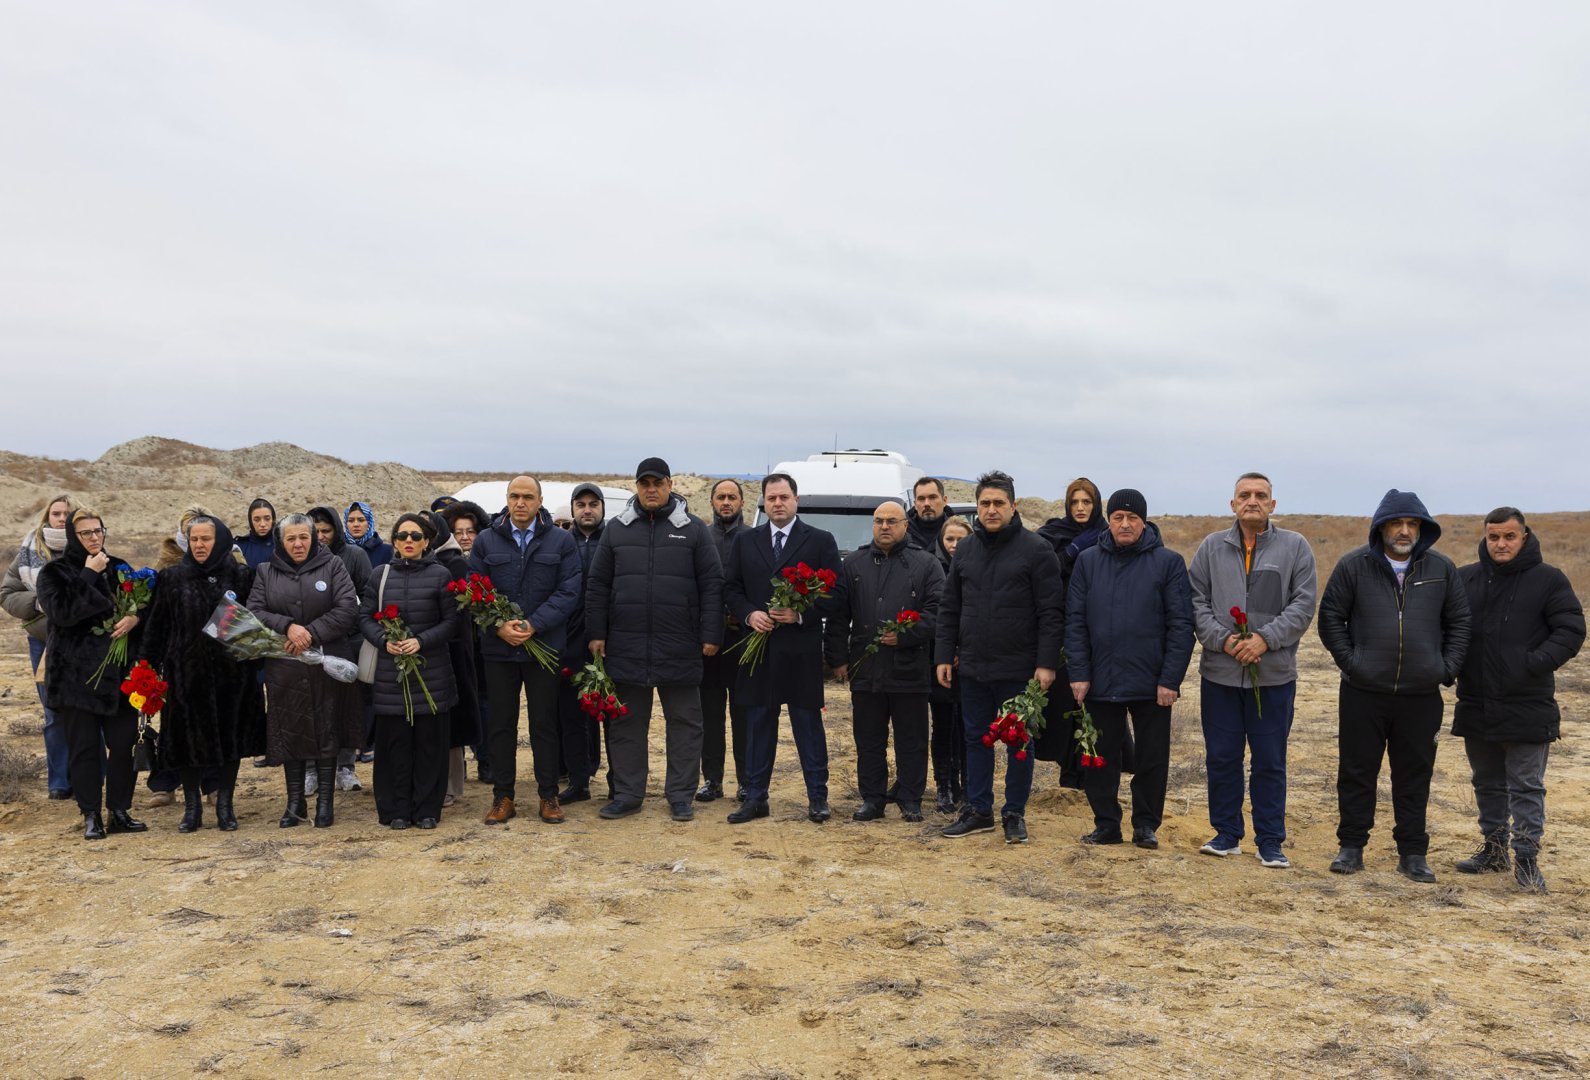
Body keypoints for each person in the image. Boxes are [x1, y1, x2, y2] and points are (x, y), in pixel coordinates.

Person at [1318, 489, 1471, 883]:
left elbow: (1460, 623)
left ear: (1422, 528)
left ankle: (1413, 853)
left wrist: (1444, 668)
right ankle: (1351, 847)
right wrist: (1353, 664)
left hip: (1421, 695)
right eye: (1397, 524)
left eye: (1412, 524)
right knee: (1356, 771)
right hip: (1363, 692)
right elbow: (1331, 618)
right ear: (1381, 527)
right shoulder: (1354, 566)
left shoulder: (1441, 568)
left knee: (1414, 775)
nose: (1404, 531)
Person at [1187, 473, 1317, 868]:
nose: (1252, 501)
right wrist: (1225, 641)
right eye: (1244, 495)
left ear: (1273, 505)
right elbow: (1195, 602)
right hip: (1220, 676)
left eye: (1261, 495)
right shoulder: (1211, 548)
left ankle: (1270, 841)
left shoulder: (1295, 547)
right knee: (1222, 757)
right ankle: (1226, 833)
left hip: (1273, 675)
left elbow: (1303, 604)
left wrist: (1264, 639)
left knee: (1269, 760)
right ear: (1232, 504)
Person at [1452, 508, 1584, 892]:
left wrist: (1534, 663)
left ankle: (1526, 859)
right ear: (1485, 537)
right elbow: (1451, 629)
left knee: (1526, 785)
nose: (1501, 544)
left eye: (1509, 536)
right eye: (1494, 537)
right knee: (1487, 782)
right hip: (1476, 700)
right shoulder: (1465, 578)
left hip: (1528, 702)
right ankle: (1494, 850)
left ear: (1524, 537)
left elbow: (1571, 629)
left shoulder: (1548, 580)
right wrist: (1450, 666)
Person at [586, 458, 724, 821]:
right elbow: (598, 584)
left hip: (680, 644)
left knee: (685, 724)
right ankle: (629, 795)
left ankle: (680, 795)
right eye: (644, 483)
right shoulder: (617, 530)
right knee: (627, 723)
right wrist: (597, 632)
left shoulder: (693, 529)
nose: (651, 489)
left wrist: (711, 633)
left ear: (669, 485)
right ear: (637, 487)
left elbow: (712, 585)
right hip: (626, 646)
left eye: (657, 483)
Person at [935, 471, 1064, 844]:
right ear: (977, 507)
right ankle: (979, 810)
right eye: (985, 504)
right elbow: (950, 607)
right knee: (976, 739)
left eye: (998, 503)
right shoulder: (968, 549)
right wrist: (945, 654)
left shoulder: (1036, 549)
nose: (991, 510)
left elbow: (1051, 612)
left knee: (1019, 742)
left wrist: (1045, 663)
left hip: (1018, 668)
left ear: (1013, 506)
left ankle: (1013, 813)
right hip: (973, 666)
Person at [1065, 488, 1194, 851]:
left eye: (1132, 518)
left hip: (1152, 683)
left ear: (1143, 521)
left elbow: (1181, 625)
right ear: (1108, 520)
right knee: (1098, 757)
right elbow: (1074, 621)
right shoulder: (1088, 562)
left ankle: (1145, 825)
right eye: (1118, 517)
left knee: (1152, 758)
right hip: (1099, 681)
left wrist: (1170, 679)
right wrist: (1078, 672)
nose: (1124, 524)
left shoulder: (1168, 562)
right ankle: (1106, 824)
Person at [723, 472, 841, 824]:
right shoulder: (746, 541)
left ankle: (818, 797)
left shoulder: (820, 540)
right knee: (758, 726)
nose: (777, 503)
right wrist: (749, 614)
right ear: (763, 502)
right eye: (771, 498)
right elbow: (730, 588)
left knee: (808, 727)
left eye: (784, 497)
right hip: (759, 653)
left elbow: (836, 595)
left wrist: (800, 613)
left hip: (801, 653)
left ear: (796, 500)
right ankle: (755, 797)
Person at [138, 517, 266, 832]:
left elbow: (254, 625)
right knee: (186, 742)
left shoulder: (241, 575)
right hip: (185, 675)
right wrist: (146, 669)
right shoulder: (172, 578)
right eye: (194, 539)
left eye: (206, 539)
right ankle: (192, 807)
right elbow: (157, 628)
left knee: (229, 739)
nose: (199, 545)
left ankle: (225, 805)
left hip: (232, 675)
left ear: (219, 540)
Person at [468, 475, 582, 826]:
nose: (521, 503)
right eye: (514, 496)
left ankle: (548, 795)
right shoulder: (487, 541)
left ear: (540, 500)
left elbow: (568, 591)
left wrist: (533, 625)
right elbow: (475, 590)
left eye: (528, 497)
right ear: (507, 499)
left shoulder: (561, 541)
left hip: (542, 647)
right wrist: (498, 626)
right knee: (501, 724)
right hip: (499, 650)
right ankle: (503, 797)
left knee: (544, 724)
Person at [828, 500, 943, 822]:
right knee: (868, 739)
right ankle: (873, 799)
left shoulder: (926, 564)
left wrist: (907, 635)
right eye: (879, 521)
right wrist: (837, 658)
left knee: (912, 739)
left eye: (892, 521)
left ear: (906, 524)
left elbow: (938, 612)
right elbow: (838, 616)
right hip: (866, 667)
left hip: (910, 667)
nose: (884, 527)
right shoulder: (854, 564)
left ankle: (910, 797)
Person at [35, 509, 147, 841]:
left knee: (124, 743)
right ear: (73, 537)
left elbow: (143, 605)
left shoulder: (119, 567)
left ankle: (120, 811)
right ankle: (91, 815)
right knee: (83, 748)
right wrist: (86, 574)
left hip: (118, 676)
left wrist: (135, 619)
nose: (94, 538)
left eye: (98, 531)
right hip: (75, 677)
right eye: (86, 533)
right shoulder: (54, 572)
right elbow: (61, 614)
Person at [249, 514, 362, 828]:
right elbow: (255, 610)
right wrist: (288, 627)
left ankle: (325, 803)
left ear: (314, 538)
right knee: (290, 731)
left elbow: (347, 608)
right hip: (284, 664)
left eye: (303, 537)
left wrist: (309, 632)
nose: (297, 544)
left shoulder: (333, 566)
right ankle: (295, 803)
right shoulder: (265, 571)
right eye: (290, 538)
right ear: (281, 542)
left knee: (328, 729)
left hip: (326, 663)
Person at [359, 512, 462, 830]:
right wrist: (382, 640)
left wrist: (421, 641)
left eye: (415, 536)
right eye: (402, 536)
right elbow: (364, 616)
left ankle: (427, 808)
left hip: (431, 674)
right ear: (394, 541)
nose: (409, 541)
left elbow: (452, 623)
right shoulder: (380, 574)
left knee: (430, 744)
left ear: (427, 541)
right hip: (391, 674)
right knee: (395, 745)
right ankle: (396, 809)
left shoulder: (441, 575)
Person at [1036, 477, 1108, 788]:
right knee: (1064, 702)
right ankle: (1069, 772)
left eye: (1086, 502)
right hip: (1061, 628)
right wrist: (1071, 550)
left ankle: (1088, 773)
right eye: (1075, 502)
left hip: (1098, 629)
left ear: (1096, 505)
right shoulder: (1053, 533)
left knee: (1094, 703)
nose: (1080, 508)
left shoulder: (1108, 534)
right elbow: (1040, 567)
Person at [1, 494, 74, 799]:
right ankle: (60, 783)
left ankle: (96, 775)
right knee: (54, 711)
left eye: (67, 515)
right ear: (47, 517)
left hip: (85, 642)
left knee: (92, 709)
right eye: (56, 513)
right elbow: (7, 593)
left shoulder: (88, 547)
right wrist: (39, 602)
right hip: (43, 644)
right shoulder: (30, 552)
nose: (61, 519)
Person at [309, 505, 372, 793]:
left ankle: (345, 767)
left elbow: (367, 598)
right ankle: (311, 768)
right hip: (311, 643)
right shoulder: (300, 558)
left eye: (326, 530)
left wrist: (345, 625)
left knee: (347, 706)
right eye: (316, 531)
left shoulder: (354, 556)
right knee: (313, 708)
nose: (321, 536)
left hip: (347, 641)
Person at [422, 510, 480, 810]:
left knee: (452, 720)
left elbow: (456, 612)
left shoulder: (454, 562)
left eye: (429, 530)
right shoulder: (416, 561)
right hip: (426, 649)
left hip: (453, 649)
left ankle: (451, 786)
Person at [698, 478, 749, 803]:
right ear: (712, 502)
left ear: (742, 502)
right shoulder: (702, 538)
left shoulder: (753, 538)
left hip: (745, 642)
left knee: (744, 716)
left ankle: (746, 781)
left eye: (732, 497)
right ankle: (712, 780)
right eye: (721, 497)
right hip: (708, 645)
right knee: (709, 717)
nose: (726, 502)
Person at [556, 482, 607, 803]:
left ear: (602, 507)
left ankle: (620, 781)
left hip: (609, 641)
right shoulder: (561, 542)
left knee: (608, 712)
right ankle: (578, 780)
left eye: (593, 504)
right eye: (581, 504)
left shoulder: (614, 540)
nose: (587, 510)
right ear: (573, 509)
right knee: (572, 714)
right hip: (569, 641)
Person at [443, 500, 494, 784]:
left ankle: (486, 759)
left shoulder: (486, 558)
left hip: (484, 642)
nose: (464, 536)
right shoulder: (444, 562)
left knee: (485, 704)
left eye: (470, 531)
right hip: (455, 644)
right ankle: (456, 765)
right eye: (458, 531)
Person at [928, 516, 972, 812]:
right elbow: (936, 614)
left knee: (969, 727)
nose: (955, 546)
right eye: (949, 540)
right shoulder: (932, 568)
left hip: (972, 658)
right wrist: (947, 650)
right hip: (940, 658)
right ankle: (944, 785)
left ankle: (969, 786)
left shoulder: (978, 567)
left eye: (961, 539)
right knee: (943, 724)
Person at [345, 501, 394, 569]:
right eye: (351, 520)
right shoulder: (338, 549)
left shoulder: (385, 551)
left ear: (369, 523)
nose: (356, 524)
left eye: (361, 520)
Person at [906, 477, 949, 553]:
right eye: (921, 499)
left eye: (932, 497)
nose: (926, 504)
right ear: (915, 504)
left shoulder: (957, 532)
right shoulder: (902, 533)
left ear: (944, 500)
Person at [236, 498, 276, 568]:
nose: (262, 524)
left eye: (267, 519)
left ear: (273, 519)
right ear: (251, 521)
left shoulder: (282, 544)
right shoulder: (240, 546)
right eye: (257, 520)